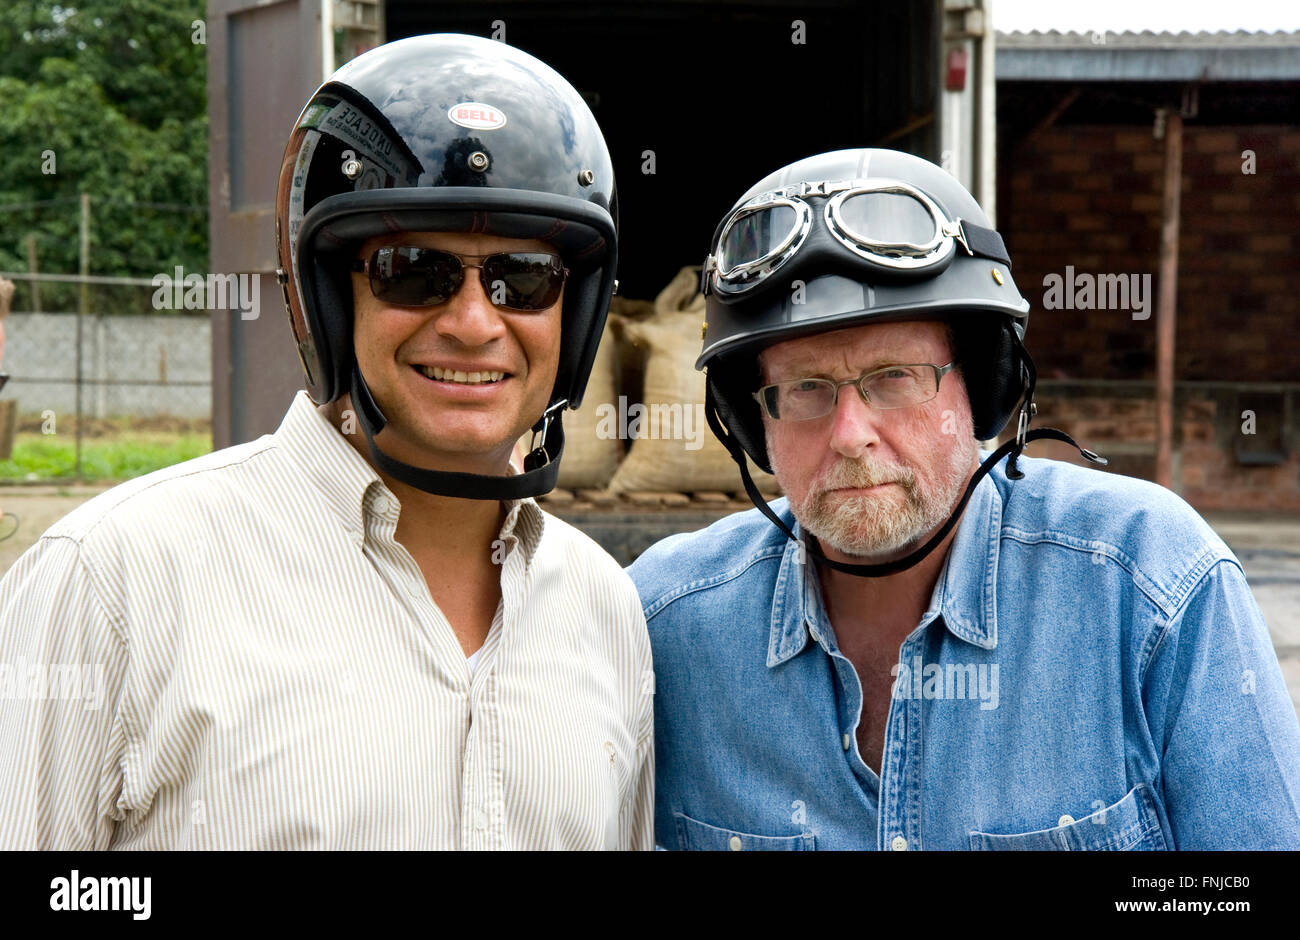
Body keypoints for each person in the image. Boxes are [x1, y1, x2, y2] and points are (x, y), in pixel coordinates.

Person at [0, 34, 652, 850]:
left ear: (576, 312)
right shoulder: (111, 582)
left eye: (523, 278)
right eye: (413, 271)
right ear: (327, 302)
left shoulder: (605, 609)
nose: (475, 323)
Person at [628, 148, 1300, 850]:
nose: (851, 434)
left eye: (895, 376)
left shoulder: (1154, 586)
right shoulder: (662, 624)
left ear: (982, 389)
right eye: (805, 389)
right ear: (750, 420)